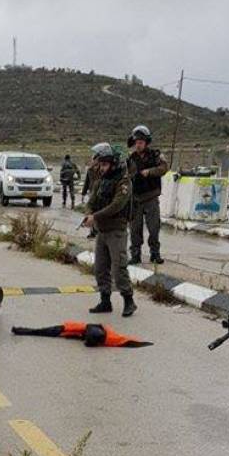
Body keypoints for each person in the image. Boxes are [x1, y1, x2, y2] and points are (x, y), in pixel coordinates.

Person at [83, 143, 136, 318]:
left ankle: (129, 300)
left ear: (113, 164)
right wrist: (88, 213)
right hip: (102, 231)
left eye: (105, 164)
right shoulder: (102, 180)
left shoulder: (124, 181)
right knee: (100, 268)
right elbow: (91, 200)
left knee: (119, 268)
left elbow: (116, 205)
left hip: (116, 231)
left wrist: (95, 217)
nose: (101, 168)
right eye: (101, 164)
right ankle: (105, 301)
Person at [126, 126, 168, 265]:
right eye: (136, 142)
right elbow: (125, 174)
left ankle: (155, 254)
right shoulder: (131, 158)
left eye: (141, 142)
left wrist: (150, 172)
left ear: (146, 143)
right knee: (135, 229)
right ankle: (135, 254)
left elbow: (164, 168)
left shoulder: (155, 155)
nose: (138, 145)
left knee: (154, 228)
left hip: (151, 198)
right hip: (136, 198)